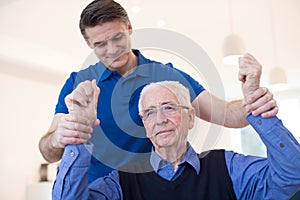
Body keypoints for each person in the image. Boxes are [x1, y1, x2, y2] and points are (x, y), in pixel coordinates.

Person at [39, 0, 278, 182]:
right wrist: (60, 137)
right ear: (89, 44)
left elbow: (228, 114)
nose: (111, 50)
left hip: (151, 189)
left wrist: (252, 97)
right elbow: (48, 151)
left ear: (129, 28)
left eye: (117, 38)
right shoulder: (78, 83)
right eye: (100, 44)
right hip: (96, 193)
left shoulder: (167, 75)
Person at [52, 80, 300, 200]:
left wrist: (258, 112)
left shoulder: (229, 167)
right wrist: (80, 131)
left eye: (169, 108)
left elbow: (292, 175)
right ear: (145, 125)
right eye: (149, 112)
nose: (159, 119)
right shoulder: (121, 182)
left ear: (191, 117)